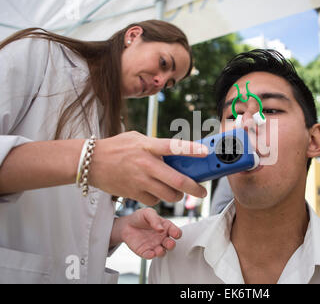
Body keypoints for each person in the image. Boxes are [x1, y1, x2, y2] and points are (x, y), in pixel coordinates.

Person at [148, 49, 320, 284]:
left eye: (269, 110)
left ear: (314, 140)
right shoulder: (172, 258)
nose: (245, 125)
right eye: (233, 116)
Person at [0, 20, 210, 283]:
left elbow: (65, 218)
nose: (159, 81)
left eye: (168, 84)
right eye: (164, 64)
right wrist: (89, 159)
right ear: (133, 35)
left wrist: (118, 230)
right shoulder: (40, 55)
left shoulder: (114, 127)